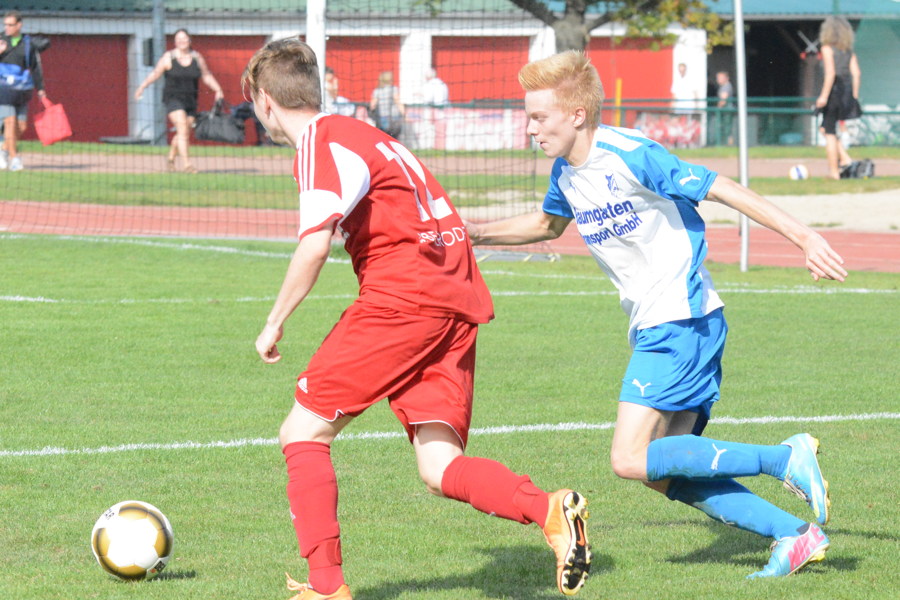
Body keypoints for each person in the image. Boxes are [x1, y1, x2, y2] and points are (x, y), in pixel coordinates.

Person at [466, 51, 848, 580]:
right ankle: (794, 534)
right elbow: (548, 224)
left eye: (538, 117)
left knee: (628, 458)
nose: (529, 128)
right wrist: (477, 232)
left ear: (576, 114)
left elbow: (721, 187)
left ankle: (784, 458)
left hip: (680, 318)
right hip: (665, 321)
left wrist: (804, 237)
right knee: (662, 467)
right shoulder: (566, 172)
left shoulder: (633, 155)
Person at [242, 38, 591, 600]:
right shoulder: (369, 135)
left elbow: (314, 245)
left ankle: (325, 587)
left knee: (301, 431)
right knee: (438, 465)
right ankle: (548, 510)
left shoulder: (319, 142)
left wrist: (274, 321)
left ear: (265, 100)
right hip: (454, 296)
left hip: (405, 299)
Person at [134, 28, 224, 173]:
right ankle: (187, 165)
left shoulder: (197, 58)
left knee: (184, 132)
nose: (182, 41)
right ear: (175, 42)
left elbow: (206, 75)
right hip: (173, 99)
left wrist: (218, 89)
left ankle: (170, 158)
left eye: (184, 38)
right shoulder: (168, 57)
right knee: (182, 128)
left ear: (189, 40)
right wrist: (142, 87)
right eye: (178, 39)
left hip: (190, 101)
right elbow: (156, 73)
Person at [816, 16, 862, 180]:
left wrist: (823, 96)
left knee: (829, 132)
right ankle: (845, 158)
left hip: (833, 94)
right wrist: (854, 95)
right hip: (845, 94)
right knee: (825, 129)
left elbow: (830, 74)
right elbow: (856, 74)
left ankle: (834, 172)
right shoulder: (848, 51)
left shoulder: (827, 49)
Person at [0, 10, 46, 172]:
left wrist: (41, 89)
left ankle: (3, 149)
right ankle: (14, 159)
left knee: (21, 126)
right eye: (5, 24)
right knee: (10, 123)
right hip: (3, 91)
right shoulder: (0, 40)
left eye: (10, 24)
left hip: (21, 91)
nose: (7, 27)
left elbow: (35, 67)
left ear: (19, 25)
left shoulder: (28, 43)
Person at [369, 70, 404, 138]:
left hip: (382, 117)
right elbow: (398, 102)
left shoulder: (377, 91)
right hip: (394, 117)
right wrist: (404, 114)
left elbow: (372, 106)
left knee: (384, 137)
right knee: (394, 138)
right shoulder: (393, 89)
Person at [715, 70, 734, 145]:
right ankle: (725, 143)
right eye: (718, 78)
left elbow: (723, 100)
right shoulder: (722, 87)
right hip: (725, 110)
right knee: (725, 128)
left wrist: (718, 108)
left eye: (720, 78)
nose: (718, 80)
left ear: (726, 78)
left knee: (727, 129)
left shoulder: (726, 86)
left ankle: (728, 144)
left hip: (726, 110)